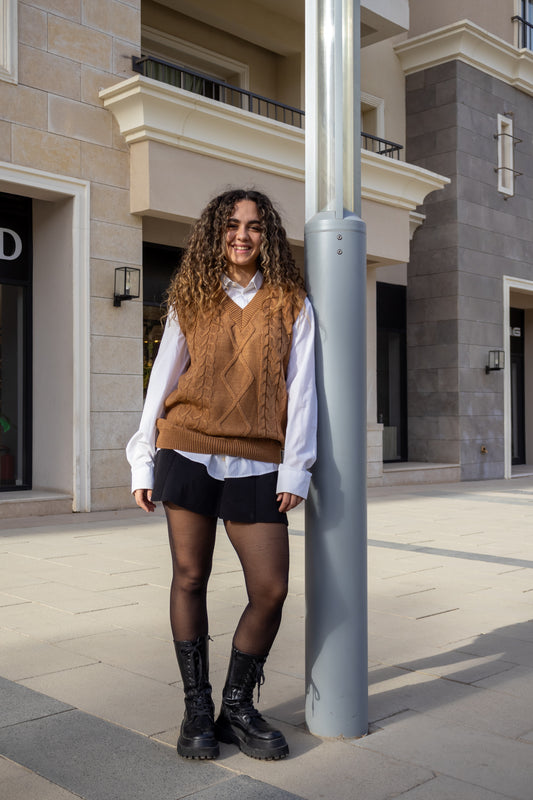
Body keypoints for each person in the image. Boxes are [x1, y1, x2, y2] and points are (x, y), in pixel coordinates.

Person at [126, 188, 316, 762]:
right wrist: (142, 457)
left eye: (255, 227)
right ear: (216, 234)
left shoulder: (292, 303)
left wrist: (296, 467)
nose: (242, 235)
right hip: (186, 448)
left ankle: (237, 702)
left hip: (259, 459)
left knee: (271, 588)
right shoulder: (192, 299)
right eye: (232, 225)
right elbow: (162, 382)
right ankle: (196, 709)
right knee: (190, 575)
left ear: (268, 237)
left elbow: (302, 390)